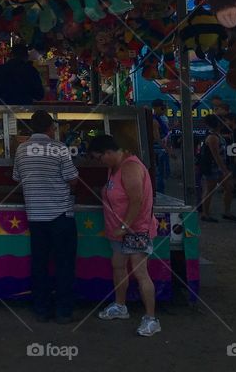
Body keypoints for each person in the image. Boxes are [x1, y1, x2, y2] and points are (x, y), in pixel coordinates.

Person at [88, 134, 161, 336]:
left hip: (135, 231)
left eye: (99, 157)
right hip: (118, 232)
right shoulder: (114, 167)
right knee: (118, 266)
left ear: (109, 153)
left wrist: (124, 225)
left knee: (140, 273)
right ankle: (120, 306)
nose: (99, 162)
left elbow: (136, 200)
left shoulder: (130, 168)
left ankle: (151, 319)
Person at [12, 110, 78, 324]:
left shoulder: (21, 150)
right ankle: (63, 311)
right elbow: (72, 179)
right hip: (61, 216)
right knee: (64, 264)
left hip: (35, 216)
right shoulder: (59, 148)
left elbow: (17, 178)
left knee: (39, 264)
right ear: (51, 128)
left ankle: (41, 309)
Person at [198, 114, 236, 222]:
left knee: (228, 188)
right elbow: (216, 156)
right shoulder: (213, 137)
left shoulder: (216, 135)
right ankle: (205, 213)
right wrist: (225, 170)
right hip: (213, 167)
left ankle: (226, 212)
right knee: (209, 190)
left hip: (217, 167)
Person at [150, 100, 171, 194]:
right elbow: (157, 138)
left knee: (161, 172)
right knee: (159, 173)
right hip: (158, 148)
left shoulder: (159, 119)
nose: (164, 110)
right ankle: (159, 193)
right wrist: (168, 150)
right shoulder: (154, 120)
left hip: (161, 148)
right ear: (156, 108)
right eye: (162, 108)